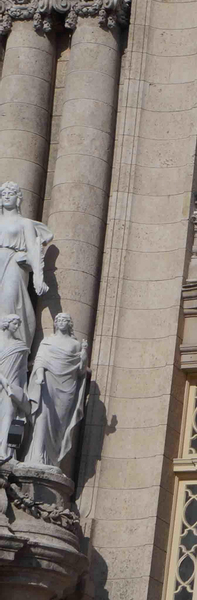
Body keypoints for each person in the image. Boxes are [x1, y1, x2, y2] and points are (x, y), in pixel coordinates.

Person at [25, 313, 87, 471]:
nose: (60, 322)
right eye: (58, 320)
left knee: (60, 423)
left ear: (70, 324)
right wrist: (39, 376)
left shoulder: (75, 345)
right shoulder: (47, 341)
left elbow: (80, 371)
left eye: (65, 320)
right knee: (42, 417)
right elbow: (40, 360)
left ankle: (53, 461)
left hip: (67, 387)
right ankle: (37, 456)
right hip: (47, 382)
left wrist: (84, 355)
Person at [0, 182, 52, 351]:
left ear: (18, 198)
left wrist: (38, 277)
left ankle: (13, 346)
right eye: (4, 193)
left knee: (10, 302)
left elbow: (33, 251)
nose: (7, 196)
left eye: (11, 193)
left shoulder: (25, 223)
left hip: (14, 265)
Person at [0, 315, 28, 462]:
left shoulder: (20, 346)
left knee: (9, 416)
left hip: (12, 387)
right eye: (14, 323)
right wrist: (3, 379)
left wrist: (22, 393)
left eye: (18, 324)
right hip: (3, 382)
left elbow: (23, 371)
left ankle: (3, 450)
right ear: (7, 323)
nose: (17, 326)